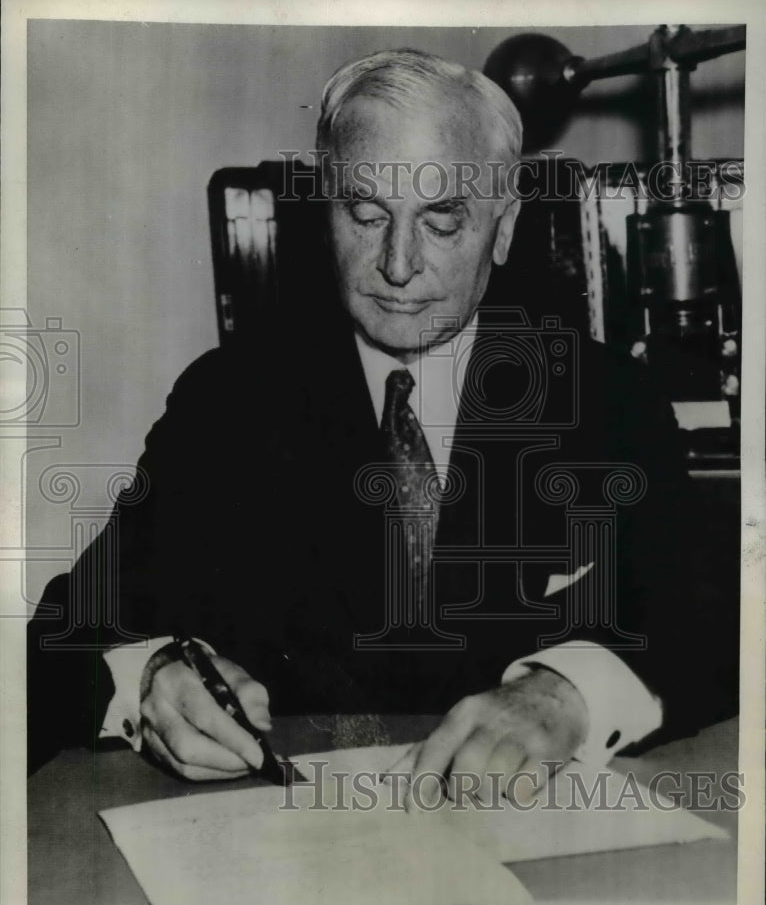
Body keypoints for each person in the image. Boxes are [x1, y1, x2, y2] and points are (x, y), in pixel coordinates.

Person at [27, 49, 737, 794]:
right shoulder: (228, 403)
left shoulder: (608, 398)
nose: (398, 266)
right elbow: (64, 635)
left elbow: (718, 622)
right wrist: (145, 678)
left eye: (442, 222)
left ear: (503, 226)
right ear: (324, 210)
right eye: (366, 215)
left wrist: (570, 691)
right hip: (284, 862)